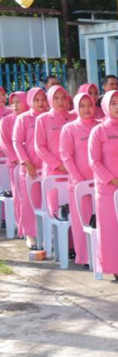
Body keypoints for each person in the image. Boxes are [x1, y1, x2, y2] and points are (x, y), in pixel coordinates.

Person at [88, 90, 118, 279]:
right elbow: (94, 161)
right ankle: (117, 268)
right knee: (112, 230)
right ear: (105, 107)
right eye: (113, 103)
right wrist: (112, 179)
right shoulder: (98, 131)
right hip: (108, 188)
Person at [59, 92, 100, 268]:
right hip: (79, 183)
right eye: (82, 106)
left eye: (89, 105)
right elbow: (66, 156)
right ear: (76, 108)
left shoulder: (100, 126)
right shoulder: (69, 129)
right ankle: (84, 256)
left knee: (100, 221)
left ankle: (101, 255)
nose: (87, 109)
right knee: (82, 221)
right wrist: (79, 179)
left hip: (100, 182)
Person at [12, 87, 48, 248]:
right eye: (36, 100)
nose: (40, 103)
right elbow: (17, 142)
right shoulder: (24, 119)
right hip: (30, 168)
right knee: (29, 203)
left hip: (47, 167)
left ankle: (47, 235)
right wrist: (27, 163)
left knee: (47, 203)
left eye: (43, 99)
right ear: (30, 101)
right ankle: (30, 235)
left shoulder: (49, 118)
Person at [34, 86, 75, 216]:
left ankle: (73, 236)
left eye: (63, 98)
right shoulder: (42, 119)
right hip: (53, 170)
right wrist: (58, 164)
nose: (60, 101)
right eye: (56, 98)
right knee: (57, 207)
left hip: (73, 169)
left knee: (74, 207)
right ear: (50, 100)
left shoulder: (74, 117)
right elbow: (40, 147)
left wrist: (70, 165)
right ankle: (57, 236)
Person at [1, 92, 28, 231]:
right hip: (16, 165)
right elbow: (5, 142)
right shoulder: (6, 121)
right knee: (19, 195)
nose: (15, 105)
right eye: (13, 102)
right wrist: (18, 159)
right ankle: (21, 226)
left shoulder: (30, 119)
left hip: (31, 163)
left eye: (18, 102)